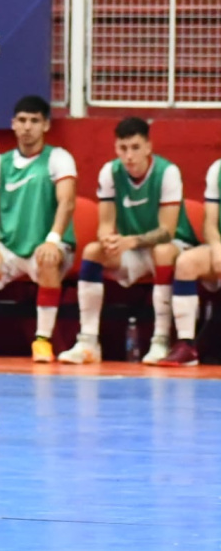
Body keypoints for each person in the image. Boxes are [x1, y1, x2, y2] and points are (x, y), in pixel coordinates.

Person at [58, 117, 198, 365]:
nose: (129, 156)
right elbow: (105, 224)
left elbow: (166, 231)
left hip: (173, 246)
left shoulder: (168, 172)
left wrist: (130, 241)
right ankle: (88, 341)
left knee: (163, 251)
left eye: (135, 147)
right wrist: (107, 240)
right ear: (116, 148)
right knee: (93, 251)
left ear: (148, 147)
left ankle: (160, 340)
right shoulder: (110, 172)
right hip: (133, 247)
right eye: (123, 148)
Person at [0, 95, 77, 363]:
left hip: (48, 244)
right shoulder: (0, 163)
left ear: (45, 125)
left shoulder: (59, 158)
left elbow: (67, 202)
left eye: (34, 121)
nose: (27, 126)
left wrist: (53, 239)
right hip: (8, 246)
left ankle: (42, 340)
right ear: (13, 124)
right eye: (22, 120)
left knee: (48, 258)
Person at [162, 158, 221, 367]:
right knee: (186, 262)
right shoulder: (217, 169)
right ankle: (186, 345)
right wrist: (217, 248)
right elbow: (210, 225)